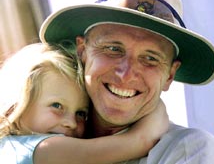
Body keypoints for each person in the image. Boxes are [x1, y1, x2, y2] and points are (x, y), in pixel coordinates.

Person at [39, 0, 214, 163]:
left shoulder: (190, 151)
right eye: (113, 49)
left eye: (150, 59)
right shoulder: (36, 132)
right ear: (82, 51)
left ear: (170, 75)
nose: (125, 74)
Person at [0, 42, 169, 164]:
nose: (71, 123)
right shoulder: (40, 149)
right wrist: (157, 110)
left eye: (81, 113)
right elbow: (137, 142)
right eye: (57, 106)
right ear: (16, 105)